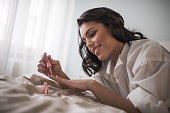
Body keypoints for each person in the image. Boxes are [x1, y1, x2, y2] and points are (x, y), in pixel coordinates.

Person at [37, 7, 170, 113]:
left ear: (111, 26)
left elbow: (141, 110)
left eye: (92, 34)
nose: (88, 44)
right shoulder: (107, 66)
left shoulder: (149, 53)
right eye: (84, 40)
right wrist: (58, 74)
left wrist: (91, 84)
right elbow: (89, 93)